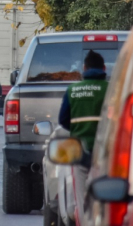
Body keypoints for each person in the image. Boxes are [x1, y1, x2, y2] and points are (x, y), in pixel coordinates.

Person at [57, 50, 109, 219]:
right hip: (105, 153)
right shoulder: (111, 90)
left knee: (80, 199)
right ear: (104, 68)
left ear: (84, 68)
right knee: (106, 198)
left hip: (79, 151)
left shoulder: (73, 90)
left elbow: (63, 119)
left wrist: (78, 130)